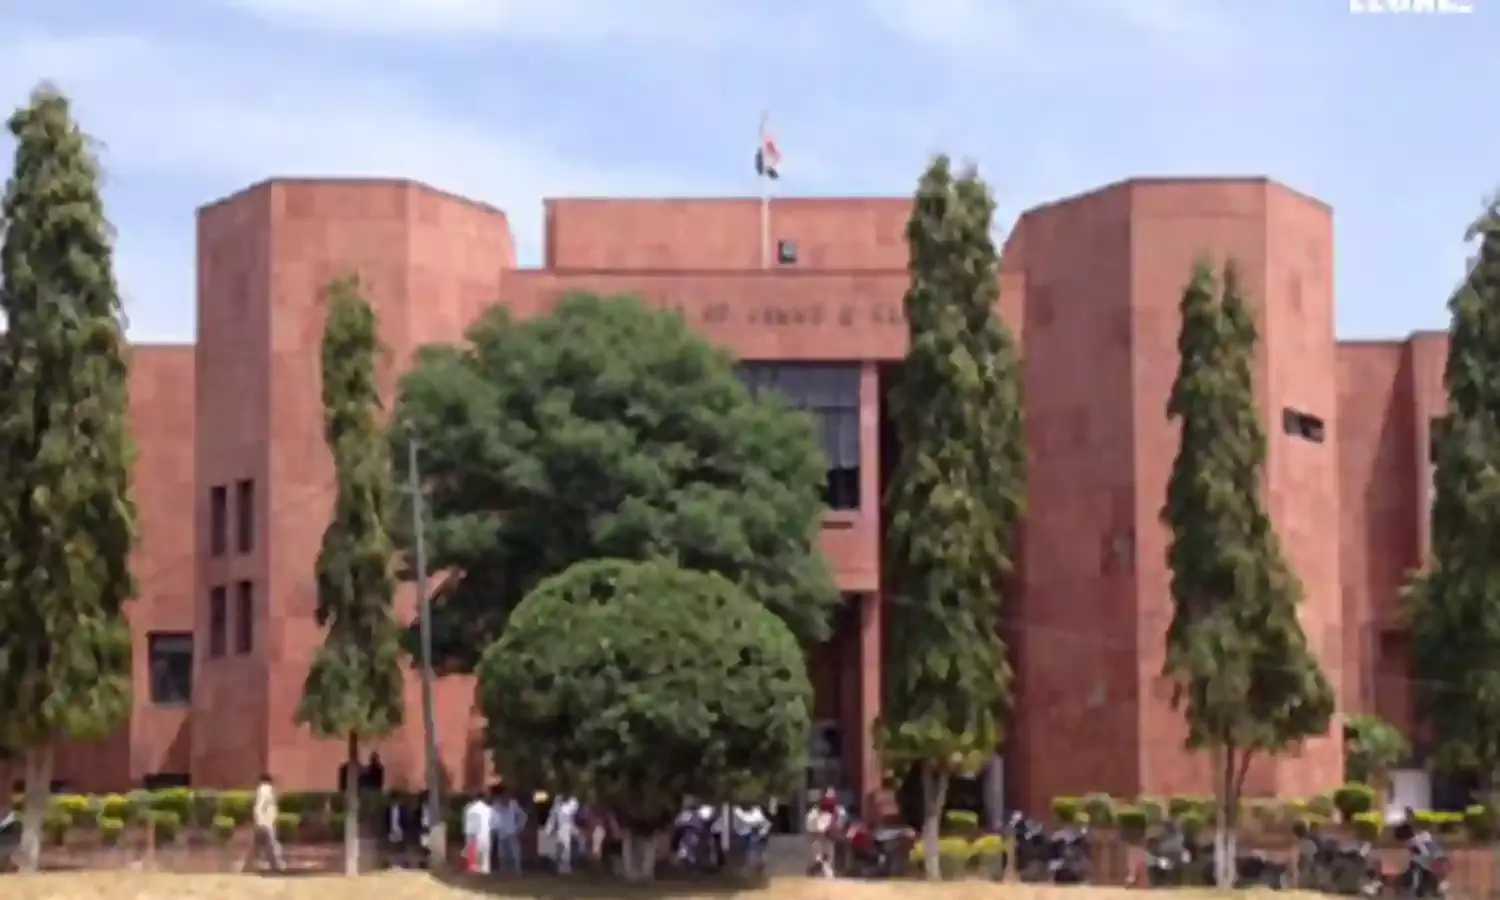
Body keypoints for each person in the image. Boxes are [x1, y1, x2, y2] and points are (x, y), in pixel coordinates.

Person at [239, 773, 287, 873]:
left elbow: (259, 807)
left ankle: (246, 866)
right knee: (271, 844)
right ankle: (276, 865)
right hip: (267, 823)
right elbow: (260, 807)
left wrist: (258, 821)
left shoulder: (263, 790)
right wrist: (261, 821)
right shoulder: (266, 790)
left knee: (258, 845)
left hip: (264, 822)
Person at [489, 784, 526, 874]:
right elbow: (492, 818)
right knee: (502, 855)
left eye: (506, 797)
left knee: (515, 854)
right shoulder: (496, 806)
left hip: (512, 832)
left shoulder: (513, 804)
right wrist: (494, 829)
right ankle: (504, 872)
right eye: (502, 797)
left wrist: (519, 827)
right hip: (501, 833)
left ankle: (517, 871)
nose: (504, 799)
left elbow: (522, 816)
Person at [804, 789, 840, 877]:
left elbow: (837, 828)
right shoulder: (814, 813)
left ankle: (824, 873)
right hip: (817, 839)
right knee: (818, 860)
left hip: (828, 840)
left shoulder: (836, 812)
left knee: (828, 861)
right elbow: (815, 829)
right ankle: (814, 871)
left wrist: (834, 832)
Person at [544, 794, 580, 874]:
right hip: (558, 829)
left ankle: (565, 868)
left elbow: (572, 819)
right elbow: (552, 818)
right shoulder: (557, 804)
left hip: (567, 828)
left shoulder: (573, 803)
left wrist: (575, 831)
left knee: (565, 850)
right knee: (556, 849)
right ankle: (556, 867)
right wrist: (548, 830)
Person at [463, 793, 493, 874]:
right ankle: (484, 873)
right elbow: (493, 822)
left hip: (472, 836)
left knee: (473, 860)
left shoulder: (469, 808)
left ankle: (474, 874)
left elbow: (466, 823)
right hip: (484, 835)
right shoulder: (487, 809)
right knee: (484, 860)